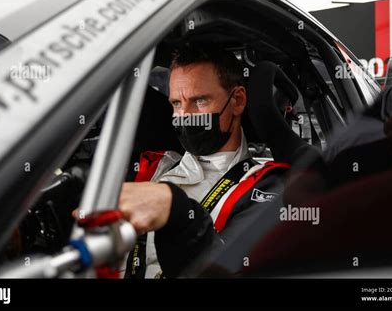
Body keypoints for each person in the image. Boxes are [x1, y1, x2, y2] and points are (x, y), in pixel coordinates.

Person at [119, 45, 290, 278]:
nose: (184, 116)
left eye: (199, 100)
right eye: (176, 104)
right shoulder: (153, 167)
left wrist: (177, 213)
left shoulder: (268, 188)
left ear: (237, 100)